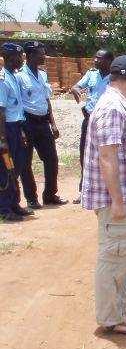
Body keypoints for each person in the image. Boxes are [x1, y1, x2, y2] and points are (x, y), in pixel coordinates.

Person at [81, 55, 126, 334]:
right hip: (117, 202)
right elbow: (107, 158)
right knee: (114, 257)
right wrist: (118, 202)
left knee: (122, 258)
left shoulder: (117, 105)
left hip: (125, 199)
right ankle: (111, 317)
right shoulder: (112, 108)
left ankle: (121, 311)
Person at [17, 41, 66, 207]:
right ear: (30, 56)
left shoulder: (43, 74)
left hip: (43, 123)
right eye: (41, 53)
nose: (43, 56)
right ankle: (31, 198)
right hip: (27, 122)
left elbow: (47, 101)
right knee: (26, 162)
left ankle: (50, 195)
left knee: (51, 159)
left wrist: (53, 123)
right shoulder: (19, 76)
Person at [72, 49, 113, 202]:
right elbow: (76, 86)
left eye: (100, 59)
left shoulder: (115, 78)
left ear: (109, 61)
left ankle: (107, 189)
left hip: (107, 121)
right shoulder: (91, 74)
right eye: (95, 58)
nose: (96, 61)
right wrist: (76, 90)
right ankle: (84, 191)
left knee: (107, 155)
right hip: (89, 120)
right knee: (85, 155)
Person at [0, 43, 34, 221]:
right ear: (10, 57)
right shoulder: (3, 79)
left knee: (17, 167)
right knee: (6, 169)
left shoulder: (13, 76)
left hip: (17, 127)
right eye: (20, 56)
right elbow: (1, 111)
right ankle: (4, 209)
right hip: (7, 130)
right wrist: (3, 139)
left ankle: (14, 203)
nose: (22, 59)